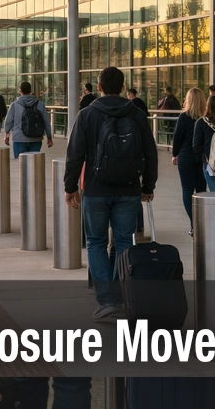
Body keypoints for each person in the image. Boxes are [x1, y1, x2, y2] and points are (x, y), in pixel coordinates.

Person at [64, 66, 158, 322]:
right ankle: (118, 297)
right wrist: (148, 186)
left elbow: (75, 155)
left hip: (95, 189)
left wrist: (70, 186)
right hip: (128, 189)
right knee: (124, 243)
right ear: (122, 85)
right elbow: (150, 153)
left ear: (99, 86)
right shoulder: (137, 114)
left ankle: (106, 300)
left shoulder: (87, 114)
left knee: (95, 243)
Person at [168, 87, 207, 236]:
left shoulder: (184, 117)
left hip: (186, 156)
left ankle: (194, 223)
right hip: (203, 157)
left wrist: (175, 154)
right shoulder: (206, 118)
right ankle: (202, 223)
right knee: (202, 191)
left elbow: (177, 137)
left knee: (187, 190)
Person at [4, 81, 53, 157]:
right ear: (30, 91)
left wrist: (7, 134)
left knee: (21, 165)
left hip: (19, 138)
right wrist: (49, 137)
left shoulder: (14, 105)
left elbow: (8, 122)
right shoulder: (40, 104)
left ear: (20, 91)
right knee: (34, 164)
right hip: (36, 138)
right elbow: (46, 122)